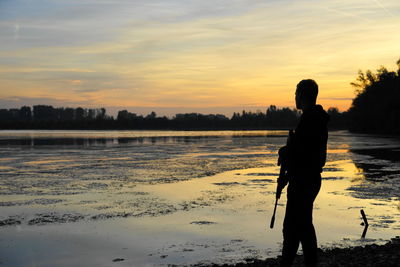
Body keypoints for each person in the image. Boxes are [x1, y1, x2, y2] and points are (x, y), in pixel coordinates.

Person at [277, 79, 329, 267]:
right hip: (307, 178)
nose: (295, 97)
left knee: (296, 226)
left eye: (296, 93)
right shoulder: (313, 118)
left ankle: (289, 263)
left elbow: (302, 152)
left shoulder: (310, 119)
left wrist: (284, 152)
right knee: (301, 225)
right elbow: (303, 151)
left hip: (304, 180)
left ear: (302, 95)